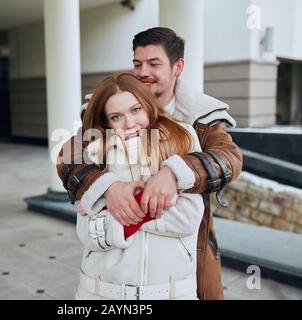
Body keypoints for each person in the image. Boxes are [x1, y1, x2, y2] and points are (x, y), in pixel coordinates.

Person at [57, 27, 243, 299]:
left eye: (154, 64)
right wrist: (106, 187)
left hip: (181, 267)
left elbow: (229, 159)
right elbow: (68, 158)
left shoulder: (199, 118)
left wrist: (174, 173)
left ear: (177, 67)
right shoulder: (105, 118)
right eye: (137, 64)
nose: (143, 71)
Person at [75, 72, 204, 300]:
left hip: (172, 294)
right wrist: (156, 201)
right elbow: (86, 233)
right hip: (101, 294)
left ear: (147, 105)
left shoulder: (182, 139)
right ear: (105, 121)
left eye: (135, 110)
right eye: (116, 116)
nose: (129, 123)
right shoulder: (94, 154)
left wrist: (111, 207)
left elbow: (188, 218)